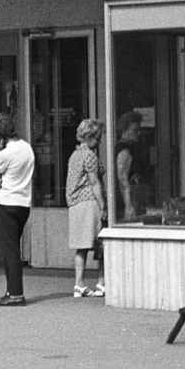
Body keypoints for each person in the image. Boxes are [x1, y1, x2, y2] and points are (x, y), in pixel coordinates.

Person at [0, 112, 36, 307]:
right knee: (13, 248)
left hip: (6, 203)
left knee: (9, 251)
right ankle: (11, 290)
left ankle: (16, 293)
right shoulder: (27, 148)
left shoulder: (5, 153)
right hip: (23, 203)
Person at [66, 117, 107, 298]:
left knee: (81, 246)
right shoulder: (90, 155)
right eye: (98, 137)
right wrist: (103, 205)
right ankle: (102, 282)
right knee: (101, 244)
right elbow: (94, 182)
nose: (99, 141)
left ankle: (79, 284)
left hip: (74, 203)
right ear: (91, 136)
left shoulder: (75, 155)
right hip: (89, 202)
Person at [115, 111, 147, 221]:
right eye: (135, 130)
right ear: (124, 130)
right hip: (128, 202)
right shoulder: (124, 151)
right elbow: (122, 179)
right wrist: (128, 206)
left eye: (139, 130)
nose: (138, 133)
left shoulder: (129, 148)